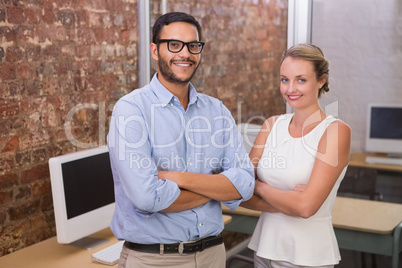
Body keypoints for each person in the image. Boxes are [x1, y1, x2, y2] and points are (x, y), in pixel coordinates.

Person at [107, 12, 255, 268]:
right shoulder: (132, 110)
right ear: (155, 51)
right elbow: (147, 198)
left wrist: (178, 178)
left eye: (193, 46)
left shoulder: (216, 111)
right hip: (154, 260)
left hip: (213, 255)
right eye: (174, 45)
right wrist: (214, 189)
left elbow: (244, 184)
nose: (185, 53)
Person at [241, 43, 351, 268]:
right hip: (265, 249)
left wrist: (260, 187)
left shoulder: (335, 131)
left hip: (307, 256)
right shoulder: (272, 125)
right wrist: (287, 200)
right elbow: (239, 189)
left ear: (321, 81)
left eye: (301, 79)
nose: (290, 88)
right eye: (284, 79)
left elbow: (305, 207)